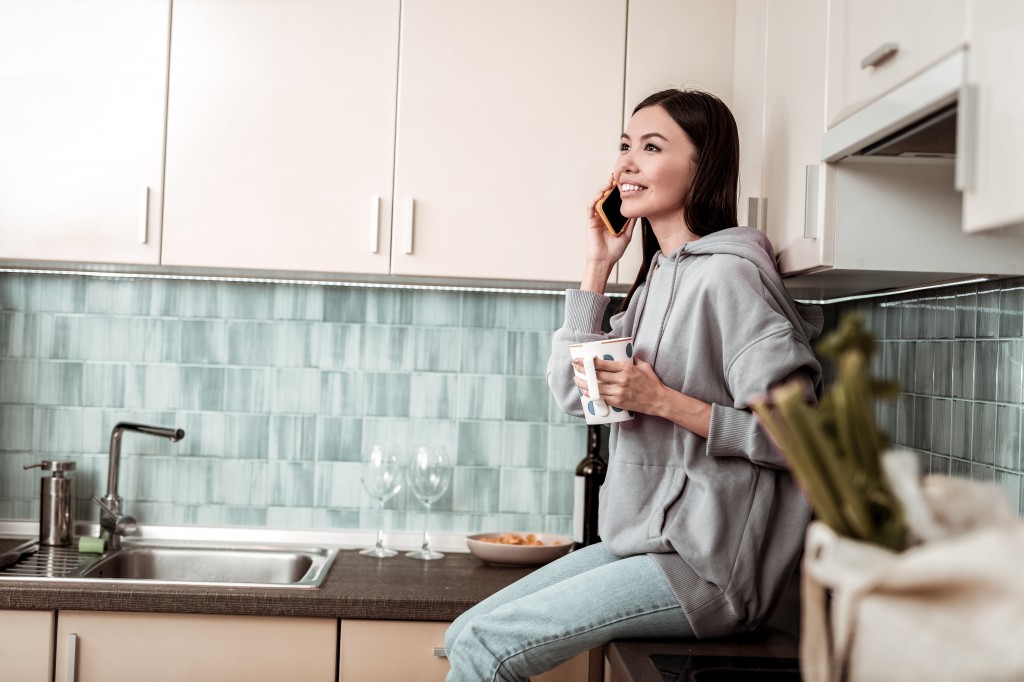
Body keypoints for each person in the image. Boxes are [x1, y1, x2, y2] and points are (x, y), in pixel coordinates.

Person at [443, 89, 823, 681]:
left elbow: (804, 442)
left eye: (651, 147)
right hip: (642, 545)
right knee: (462, 635)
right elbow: (578, 397)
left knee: (487, 648)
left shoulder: (730, 278)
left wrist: (664, 402)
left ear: (704, 168)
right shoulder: (655, 284)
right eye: (625, 146)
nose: (625, 163)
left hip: (709, 568)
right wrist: (597, 267)